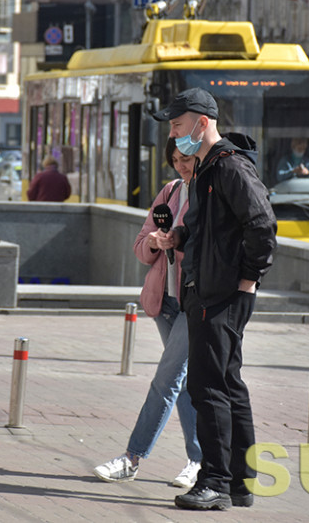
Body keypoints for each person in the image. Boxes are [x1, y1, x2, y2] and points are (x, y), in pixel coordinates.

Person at [153, 88, 278, 510]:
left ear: (202, 123)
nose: (173, 134)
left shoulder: (228, 167)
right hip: (210, 289)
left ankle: (215, 481)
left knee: (207, 387)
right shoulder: (207, 168)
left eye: (177, 125)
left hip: (220, 294)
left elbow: (262, 226)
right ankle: (240, 482)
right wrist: (179, 236)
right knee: (228, 384)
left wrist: (248, 279)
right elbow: (212, 229)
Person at [93, 138, 202, 488]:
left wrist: (180, 241)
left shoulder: (209, 194)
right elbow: (140, 247)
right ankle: (199, 460)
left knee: (167, 380)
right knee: (183, 383)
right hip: (164, 303)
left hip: (194, 302)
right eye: (175, 160)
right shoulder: (170, 192)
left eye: (187, 159)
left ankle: (132, 457)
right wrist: (155, 241)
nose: (182, 166)